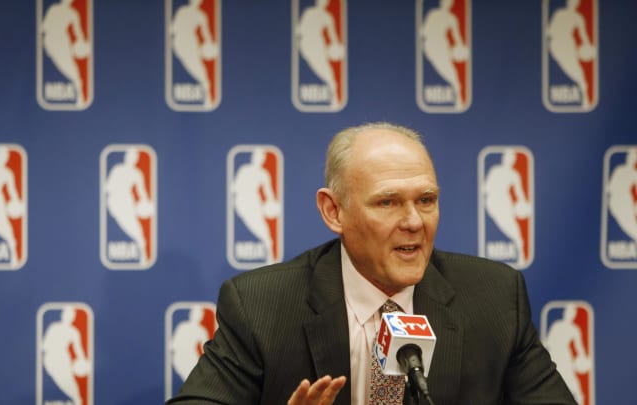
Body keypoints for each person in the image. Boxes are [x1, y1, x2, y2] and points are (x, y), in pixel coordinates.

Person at [167, 122, 576, 404]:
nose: (414, 221)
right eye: (388, 202)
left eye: (426, 201)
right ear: (333, 211)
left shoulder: (494, 297)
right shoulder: (262, 305)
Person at [483, 148, 532, 267]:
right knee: (510, 227)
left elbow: (520, 195)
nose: (509, 160)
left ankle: (520, 251)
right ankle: (519, 245)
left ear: (513, 161)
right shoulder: (495, 170)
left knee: (514, 228)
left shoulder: (514, 175)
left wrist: (523, 206)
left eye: (512, 158)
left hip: (505, 203)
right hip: (493, 203)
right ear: (504, 159)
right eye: (508, 157)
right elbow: (484, 188)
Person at [420, 0, 468, 110]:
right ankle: (458, 95)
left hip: (443, 47)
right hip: (432, 47)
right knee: (452, 76)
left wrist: (457, 50)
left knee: (454, 77)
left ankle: (459, 99)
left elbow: (458, 40)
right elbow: (423, 33)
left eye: (449, 2)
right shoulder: (433, 14)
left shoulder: (452, 19)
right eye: (445, 2)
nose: (446, 4)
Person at [41, 0, 90, 107]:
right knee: (70, 71)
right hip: (52, 42)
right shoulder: (54, 9)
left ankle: (80, 95)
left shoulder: (73, 13)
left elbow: (79, 35)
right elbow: (43, 28)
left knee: (74, 72)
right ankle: (79, 92)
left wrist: (82, 46)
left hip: (62, 42)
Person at [296, 0, 345, 108]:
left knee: (330, 75)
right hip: (308, 46)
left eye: (325, 2)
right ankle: (335, 96)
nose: (323, 3)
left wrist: (335, 48)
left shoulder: (328, 17)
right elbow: (298, 31)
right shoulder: (309, 12)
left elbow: (334, 38)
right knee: (327, 73)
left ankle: (335, 98)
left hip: (319, 45)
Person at [546, 0, 594, 108]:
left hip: (569, 46)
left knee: (580, 75)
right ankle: (584, 93)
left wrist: (588, 48)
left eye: (575, 2)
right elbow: (549, 32)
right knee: (576, 73)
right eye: (571, 2)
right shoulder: (559, 14)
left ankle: (585, 98)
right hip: (558, 46)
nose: (573, 4)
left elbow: (584, 37)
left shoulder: (578, 18)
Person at [170, 0, 218, 108]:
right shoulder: (182, 11)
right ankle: (207, 90)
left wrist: (209, 47)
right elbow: (172, 29)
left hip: (191, 43)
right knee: (197, 69)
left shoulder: (201, 15)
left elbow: (207, 36)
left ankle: (208, 94)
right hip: (181, 43)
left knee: (200, 70)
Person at [42, 306, 90, 405]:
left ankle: (77, 400)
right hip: (51, 358)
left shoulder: (74, 331)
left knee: (68, 380)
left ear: (72, 318)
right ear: (63, 315)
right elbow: (44, 346)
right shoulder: (54, 327)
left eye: (71, 315)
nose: (68, 317)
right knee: (57, 380)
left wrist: (83, 361)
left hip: (63, 358)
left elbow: (78, 349)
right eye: (67, 314)